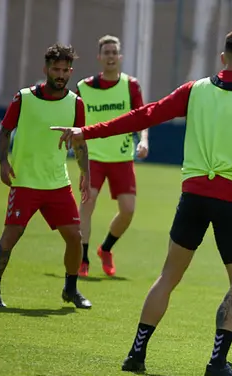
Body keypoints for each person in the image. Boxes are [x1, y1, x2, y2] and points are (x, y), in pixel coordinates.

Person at [51, 28, 232, 376]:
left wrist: (86, 131)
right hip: (231, 201)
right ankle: (217, 363)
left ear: (222, 58)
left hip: (193, 197)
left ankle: (136, 354)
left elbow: (145, 115)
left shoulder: (194, 89)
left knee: (168, 276)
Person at [0, 44, 92, 309]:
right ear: (45, 69)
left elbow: (80, 142)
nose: (60, 74)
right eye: (55, 69)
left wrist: (85, 175)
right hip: (25, 183)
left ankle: (71, 289)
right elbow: (5, 131)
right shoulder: (23, 97)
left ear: (71, 71)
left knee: (74, 238)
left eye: (65, 70)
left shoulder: (76, 103)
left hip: (58, 184)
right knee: (11, 237)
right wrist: (2, 162)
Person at [75, 35, 150, 277]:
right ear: (99, 57)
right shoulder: (84, 87)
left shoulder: (131, 86)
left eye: (113, 52)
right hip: (93, 157)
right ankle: (82, 258)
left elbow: (142, 117)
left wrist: (144, 141)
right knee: (88, 203)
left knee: (128, 210)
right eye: (105, 52)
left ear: (120, 57)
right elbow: (75, 120)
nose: (110, 56)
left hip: (121, 157)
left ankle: (105, 249)